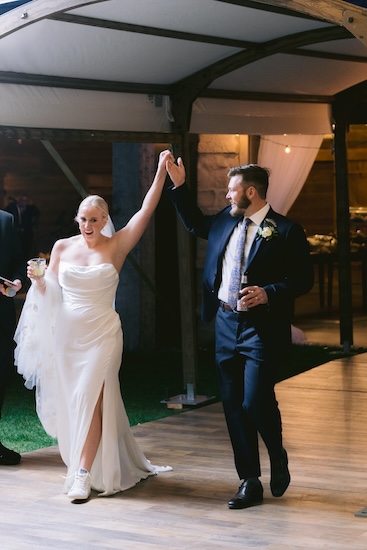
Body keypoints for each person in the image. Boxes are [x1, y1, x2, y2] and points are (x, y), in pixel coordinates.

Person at [14, 150, 173, 501]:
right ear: (77, 219)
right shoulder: (61, 247)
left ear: (105, 220)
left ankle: (82, 475)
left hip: (103, 335)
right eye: (83, 219)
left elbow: (146, 209)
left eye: (94, 220)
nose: (87, 226)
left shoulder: (117, 246)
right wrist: (37, 281)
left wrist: (160, 171)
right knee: (76, 402)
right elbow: (50, 289)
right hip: (68, 337)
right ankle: (90, 464)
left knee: (91, 397)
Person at [166, 157, 314, 509]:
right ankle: (249, 480)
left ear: (251, 192)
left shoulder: (287, 230)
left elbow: (303, 278)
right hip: (226, 323)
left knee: (255, 399)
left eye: (232, 190)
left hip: (262, 327)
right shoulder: (224, 221)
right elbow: (194, 223)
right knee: (233, 405)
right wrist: (180, 186)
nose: (227, 196)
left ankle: (277, 455)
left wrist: (270, 292)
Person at [0, 209, 25, 465]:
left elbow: (18, 260)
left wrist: (17, 280)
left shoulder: (5, 220)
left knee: (0, 377)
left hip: (1, 315)